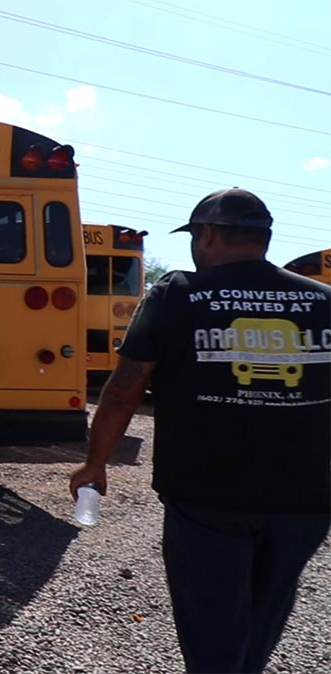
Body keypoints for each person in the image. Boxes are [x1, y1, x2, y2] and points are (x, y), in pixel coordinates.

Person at [69, 187, 330, 673]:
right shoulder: (324, 300)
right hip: (306, 500)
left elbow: (126, 387)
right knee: (263, 618)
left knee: (212, 627)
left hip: (208, 497)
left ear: (207, 234)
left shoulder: (178, 294)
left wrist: (96, 462)